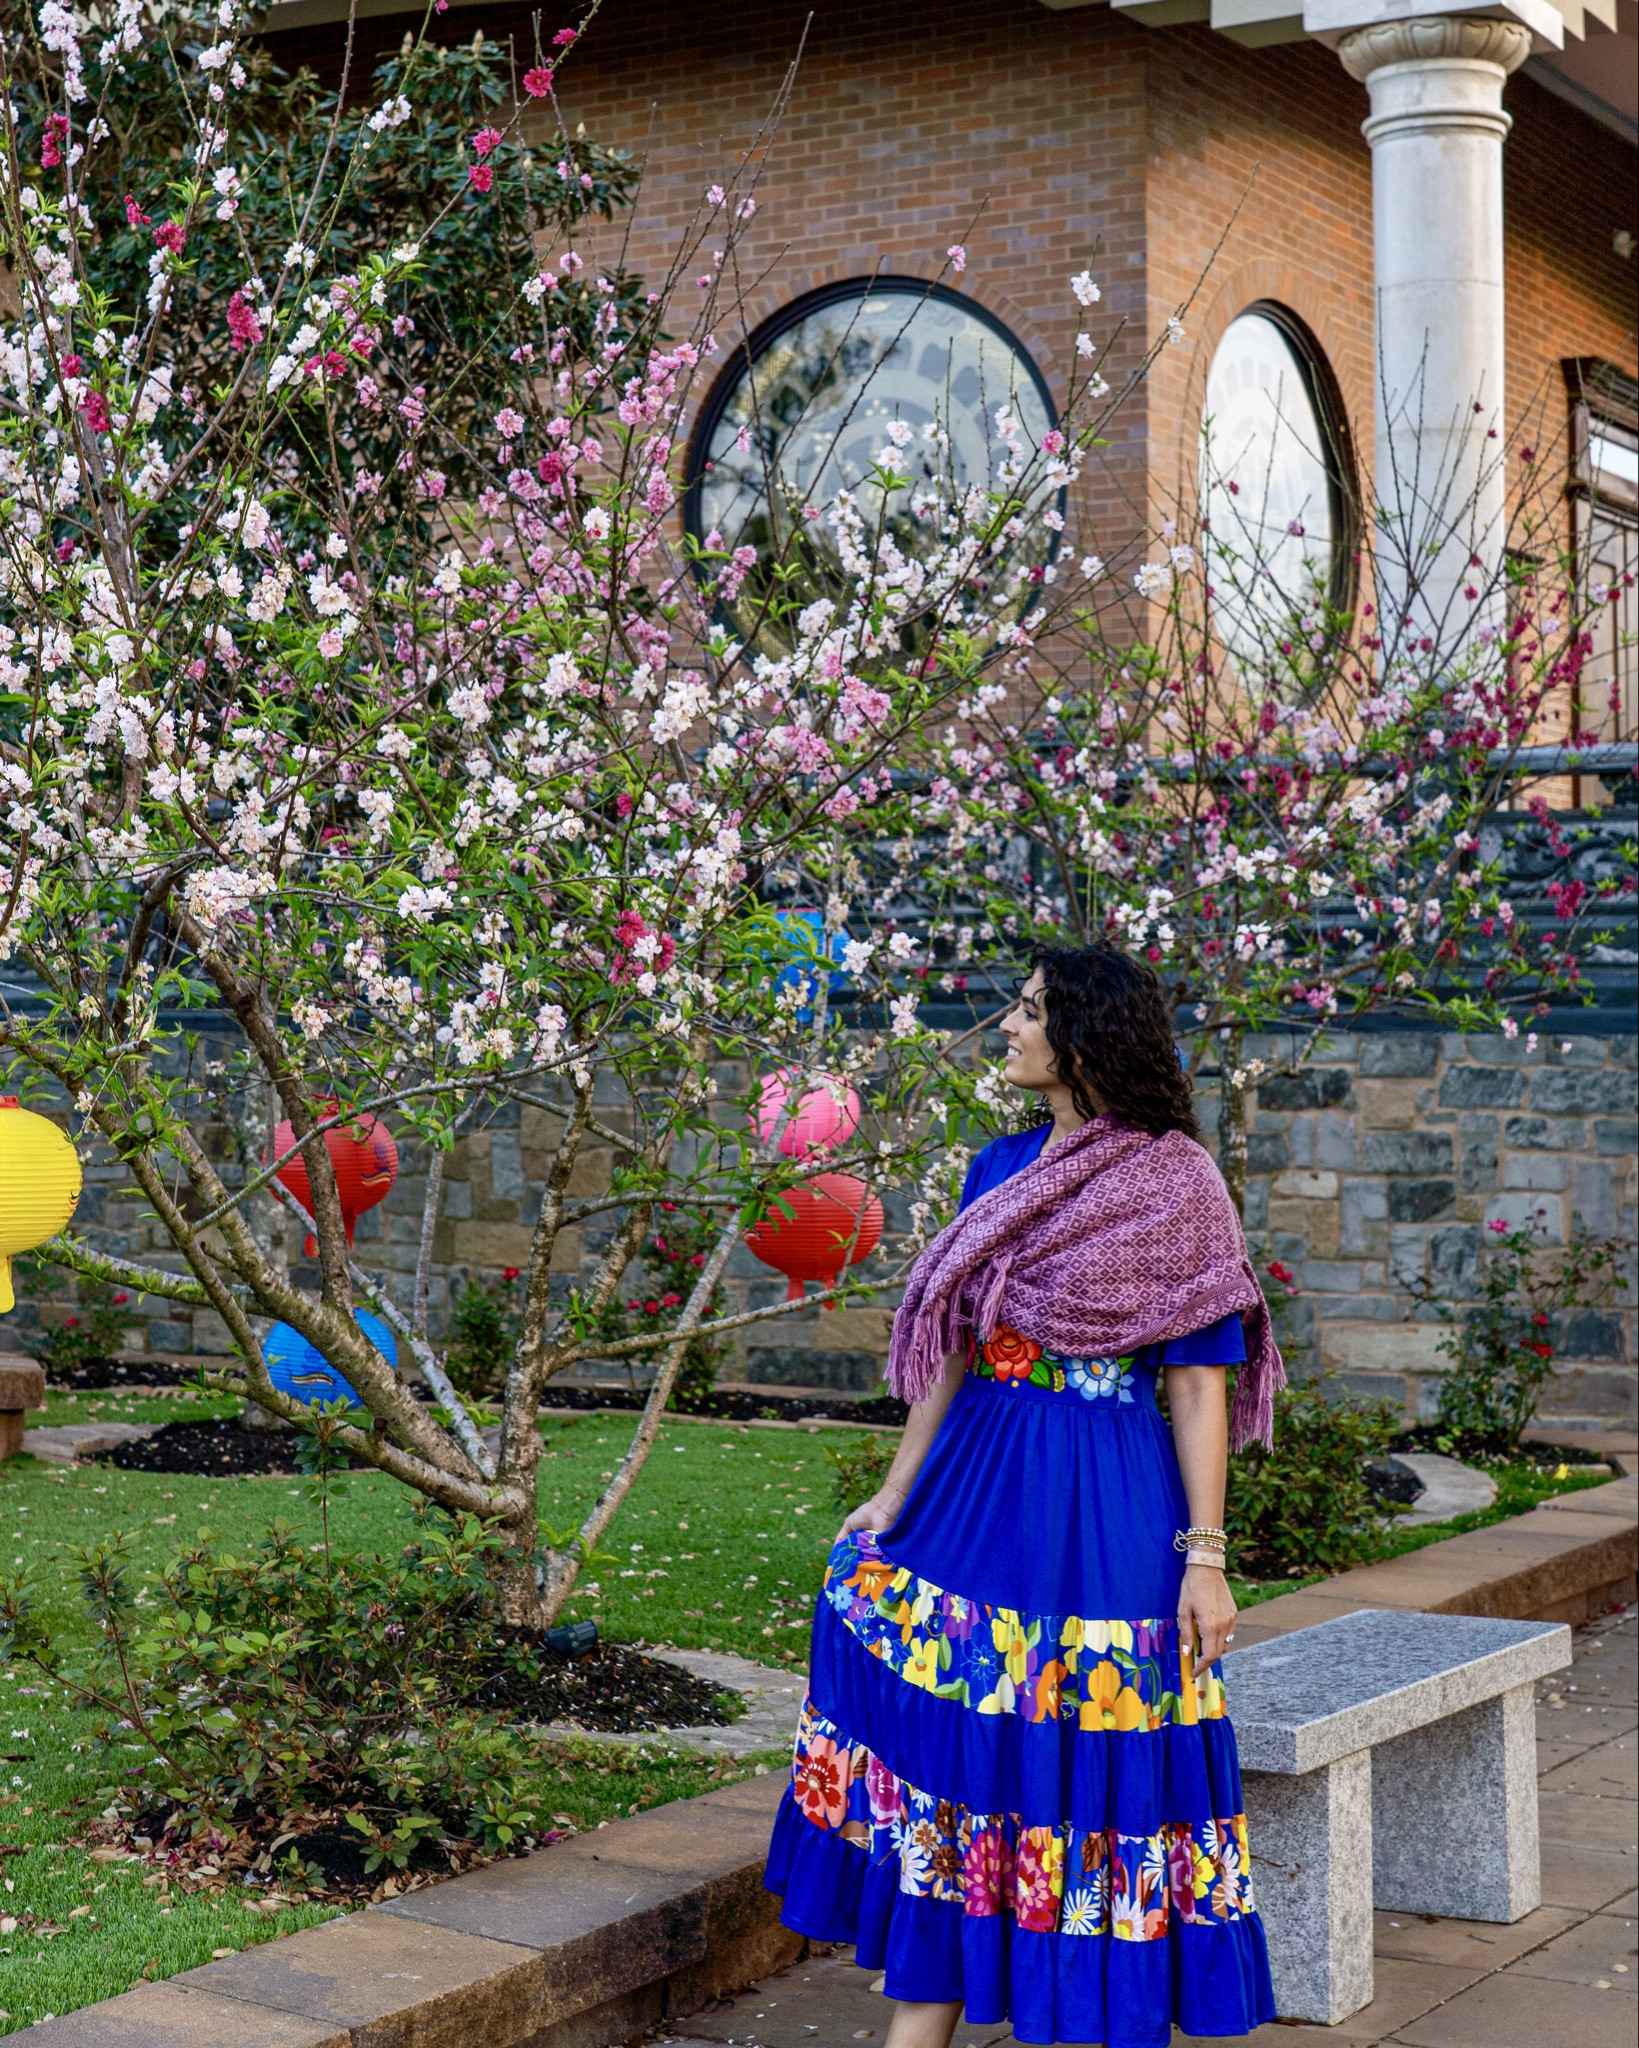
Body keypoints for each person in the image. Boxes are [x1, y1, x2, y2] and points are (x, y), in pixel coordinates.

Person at [764, 945, 1282, 2048]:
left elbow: (1196, 1382)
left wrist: (1204, 1554)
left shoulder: (1174, 1181)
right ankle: (923, 2020)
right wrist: (893, 1493)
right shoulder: (996, 1165)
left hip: (1106, 1499)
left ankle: (1087, 2011)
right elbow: (951, 1346)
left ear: (1083, 1037)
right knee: (960, 1740)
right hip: (980, 1479)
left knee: (1090, 1756)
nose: (1007, 1024)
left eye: (1031, 1009)